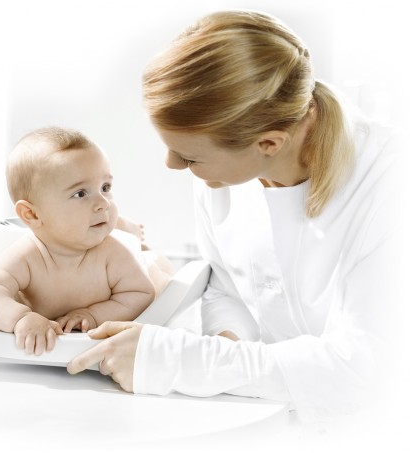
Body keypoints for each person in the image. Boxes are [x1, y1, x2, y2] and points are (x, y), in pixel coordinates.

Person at [68, 10, 409, 420]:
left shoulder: (391, 186)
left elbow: (368, 367)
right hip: (270, 420)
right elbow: (228, 288)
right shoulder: (224, 174)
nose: (172, 165)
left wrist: (178, 360)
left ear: (269, 143)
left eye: (190, 157)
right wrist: (223, 346)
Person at [0, 126, 174, 356]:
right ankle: (125, 228)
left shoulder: (112, 252)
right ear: (32, 214)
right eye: (80, 194)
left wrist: (94, 315)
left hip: (142, 264)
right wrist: (21, 318)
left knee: (159, 271)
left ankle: (131, 233)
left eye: (105, 188)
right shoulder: (27, 255)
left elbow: (140, 294)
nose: (103, 202)